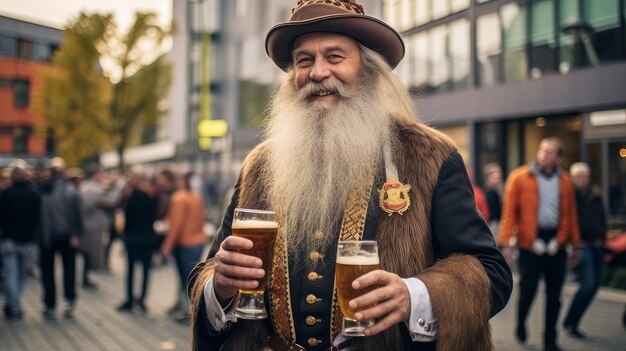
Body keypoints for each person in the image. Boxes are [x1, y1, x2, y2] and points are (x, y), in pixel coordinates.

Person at [188, 1, 512, 350]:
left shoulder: (430, 157)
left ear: (368, 71)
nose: (317, 72)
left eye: (335, 57)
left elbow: (491, 273)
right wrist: (219, 287)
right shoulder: (260, 165)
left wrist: (413, 295)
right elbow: (210, 268)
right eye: (304, 60)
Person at [498, 137, 580, 351]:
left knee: (555, 296)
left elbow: (569, 215)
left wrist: (567, 242)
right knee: (528, 290)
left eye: (550, 151)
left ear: (559, 157)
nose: (544, 153)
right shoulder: (519, 177)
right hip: (529, 244)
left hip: (555, 243)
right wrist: (506, 243)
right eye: (542, 149)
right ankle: (521, 321)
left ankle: (550, 340)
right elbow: (509, 213)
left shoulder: (565, 181)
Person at [562, 162, 607, 338]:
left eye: (586, 177)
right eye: (580, 177)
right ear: (573, 179)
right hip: (582, 245)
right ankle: (569, 321)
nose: (583, 180)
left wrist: (603, 237)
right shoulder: (570, 197)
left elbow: (602, 218)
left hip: (598, 245)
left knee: (595, 286)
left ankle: (573, 322)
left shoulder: (596, 195)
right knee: (587, 285)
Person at [39, 157, 83, 319]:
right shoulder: (71, 189)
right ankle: (69, 300)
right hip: (67, 236)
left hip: (48, 237)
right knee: (69, 270)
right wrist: (76, 234)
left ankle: (49, 303)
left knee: (48, 271)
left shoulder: (44, 189)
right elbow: (77, 214)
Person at [160, 172, 207, 322]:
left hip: (185, 243)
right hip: (198, 241)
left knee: (185, 279)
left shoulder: (179, 198)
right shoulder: (196, 196)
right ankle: (186, 308)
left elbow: (176, 225)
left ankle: (188, 312)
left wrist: (167, 246)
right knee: (192, 278)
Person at [0, 163, 41, 319]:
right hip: (27, 240)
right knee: (21, 274)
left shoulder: (6, 194)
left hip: (9, 239)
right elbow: (37, 219)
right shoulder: (34, 195)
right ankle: (15, 303)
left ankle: (14, 305)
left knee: (10, 273)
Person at [117, 171, 157, 313]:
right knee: (146, 270)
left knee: (131, 270)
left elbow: (128, 218)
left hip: (133, 238)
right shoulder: (151, 194)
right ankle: (142, 300)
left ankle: (129, 299)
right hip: (147, 237)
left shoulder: (132, 196)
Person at [78, 166, 122, 289]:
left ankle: (86, 277)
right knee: (92, 254)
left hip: (87, 225)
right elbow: (112, 201)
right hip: (93, 227)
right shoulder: (94, 190)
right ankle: (87, 278)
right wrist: (119, 187)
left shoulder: (85, 187)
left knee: (88, 253)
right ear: (95, 175)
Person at [483, 162, 503, 236]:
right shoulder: (486, 194)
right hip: (491, 226)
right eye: (496, 178)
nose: (499, 180)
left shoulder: (499, 192)